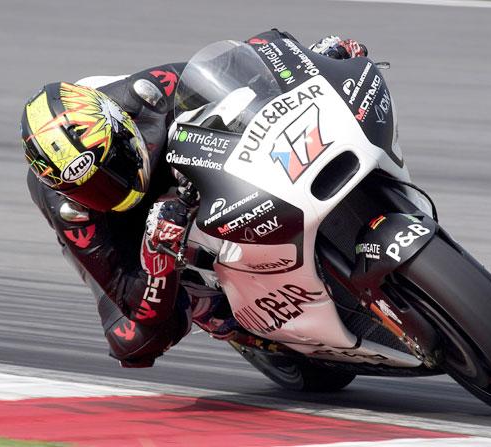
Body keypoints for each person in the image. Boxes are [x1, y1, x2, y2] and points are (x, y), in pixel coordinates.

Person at [21, 29, 367, 368]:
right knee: (134, 340)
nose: (109, 188)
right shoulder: (71, 211)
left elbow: (242, 69)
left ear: (121, 129)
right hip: (121, 229)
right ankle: (215, 313)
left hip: (180, 161)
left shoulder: (147, 95)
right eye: (89, 187)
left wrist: (316, 57)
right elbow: (134, 300)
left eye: (111, 167)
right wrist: (158, 260)